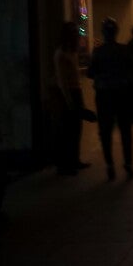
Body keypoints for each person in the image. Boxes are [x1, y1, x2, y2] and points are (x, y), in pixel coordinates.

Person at [87, 17, 133, 181]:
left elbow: (91, 72)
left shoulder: (98, 52)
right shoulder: (124, 50)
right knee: (125, 131)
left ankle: (110, 164)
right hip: (122, 94)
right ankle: (128, 163)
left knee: (105, 131)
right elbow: (132, 71)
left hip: (104, 95)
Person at [53, 21, 91, 176]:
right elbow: (62, 80)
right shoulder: (61, 53)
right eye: (75, 33)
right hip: (67, 94)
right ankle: (65, 164)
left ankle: (74, 160)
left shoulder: (72, 52)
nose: (78, 35)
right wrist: (68, 100)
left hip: (76, 91)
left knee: (76, 128)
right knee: (67, 129)